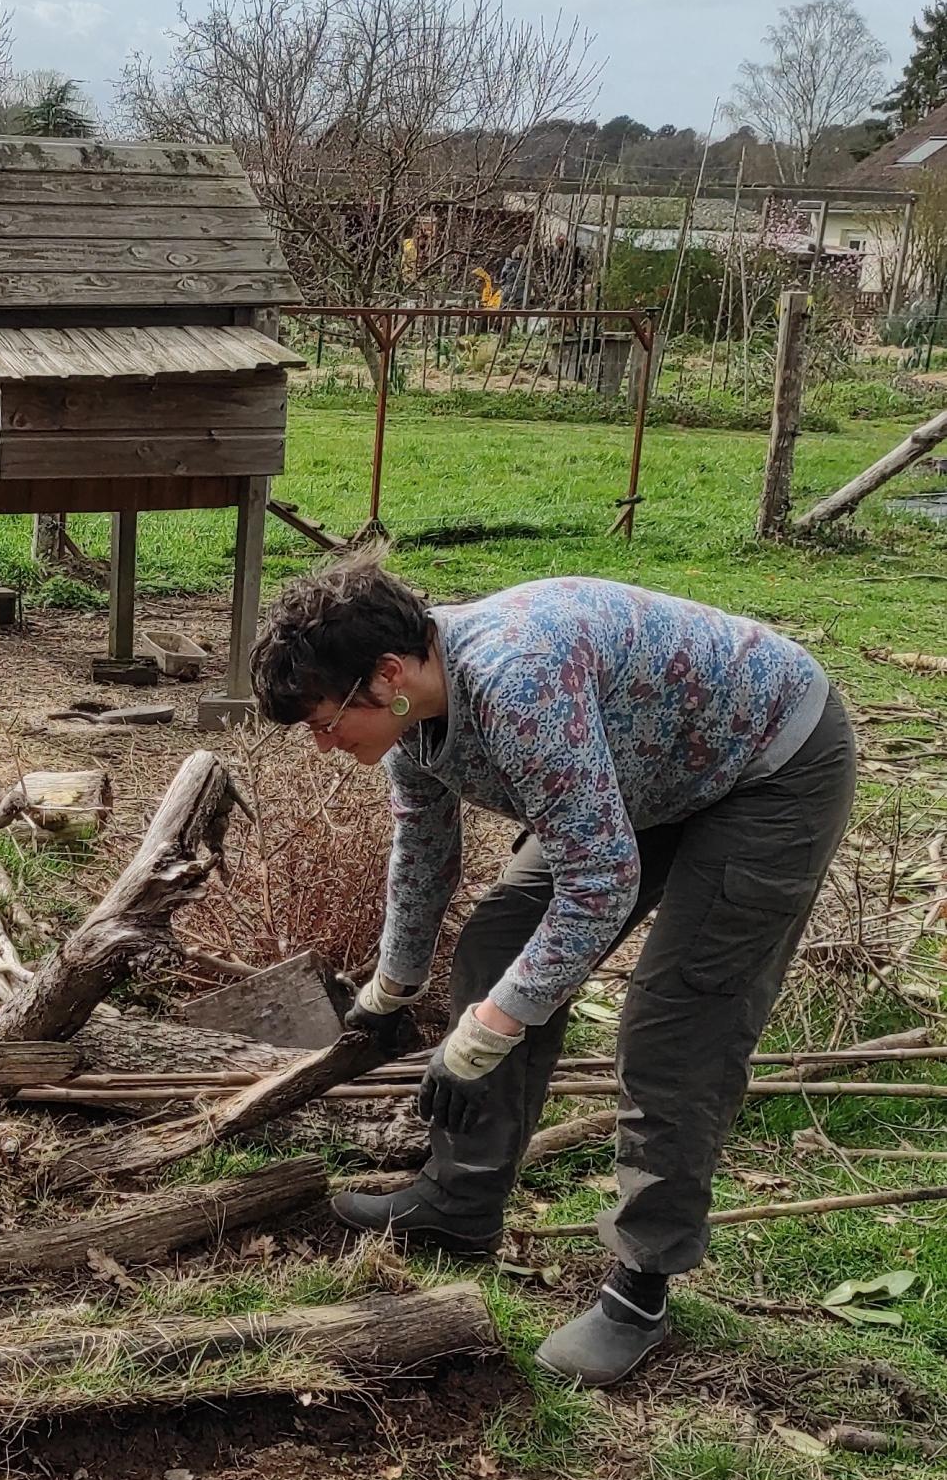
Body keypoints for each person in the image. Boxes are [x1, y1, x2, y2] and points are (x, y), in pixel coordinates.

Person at [250, 555, 855, 1386]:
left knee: (676, 1023)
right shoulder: (413, 719)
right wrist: (392, 989)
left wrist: (486, 1033)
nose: (323, 744)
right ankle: (460, 1204)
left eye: (325, 722)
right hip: (645, 769)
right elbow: (424, 848)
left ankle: (641, 1287)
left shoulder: (516, 688)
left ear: (387, 674)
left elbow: (599, 881)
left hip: (768, 766)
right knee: (498, 947)